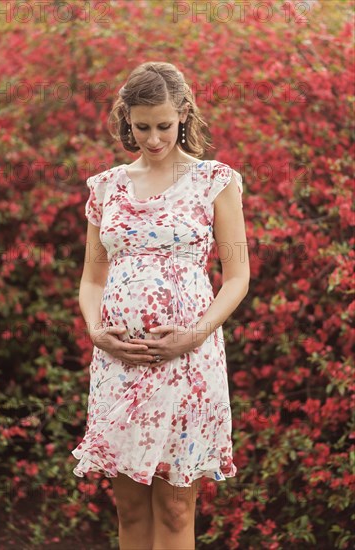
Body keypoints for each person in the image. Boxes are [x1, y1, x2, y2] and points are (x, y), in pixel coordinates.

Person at [71, 61, 250, 550]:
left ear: (184, 115)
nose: (153, 138)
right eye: (142, 126)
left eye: (164, 126)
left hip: (189, 361)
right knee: (129, 506)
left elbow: (237, 277)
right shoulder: (105, 187)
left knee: (174, 509)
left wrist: (194, 334)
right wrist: (95, 329)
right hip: (119, 363)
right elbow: (91, 279)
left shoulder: (215, 180)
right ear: (126, 118)